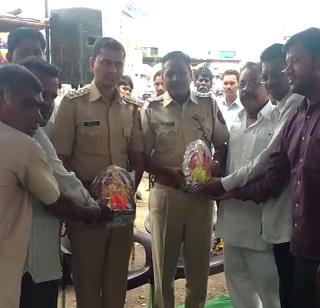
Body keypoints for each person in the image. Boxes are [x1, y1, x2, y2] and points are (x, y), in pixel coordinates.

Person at [213, 27, 320, 308]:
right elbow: (278, 168)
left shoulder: (289, 112)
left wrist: (229, 188)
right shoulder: (300, 115)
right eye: (270, 74)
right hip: (296, 241)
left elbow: (269, 168)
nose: (287, 73)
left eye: (294, 63)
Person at [53, 37, 144, 308]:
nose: (113, 70)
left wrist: (125, 197)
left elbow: (138, 158)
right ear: (92, 63)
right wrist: (88, 199)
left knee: (117, 285)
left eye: (118, 64)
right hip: (88, 213)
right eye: (106, 63)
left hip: (121, 215)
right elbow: (61, 158)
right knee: (88, 286)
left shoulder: (132, 108)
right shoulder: (72, 104)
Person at [0, 64, 101, 308]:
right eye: (29, 104)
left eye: (48, 98)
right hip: (26, 267)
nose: (39, 113)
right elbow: (57, 199)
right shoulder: (24, 142)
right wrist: (95, 211)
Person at [141, 51, 229, 308]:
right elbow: (143, 157)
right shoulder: (152, 109)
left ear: (191, 74)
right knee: (163, 268)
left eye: (181, 72)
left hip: (201, 198)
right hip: (167, 195)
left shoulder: (207, 105)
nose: (176, 78)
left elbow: (222, 142)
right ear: (162, 77)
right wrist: (171, 174)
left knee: (198, 266)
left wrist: (216, 163)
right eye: (170, 73)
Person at [217, 62, 281, 308]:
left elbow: (262, 168)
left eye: (253, 83)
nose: (246, 89)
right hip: (231, 225)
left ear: (266, 85)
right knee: (239, 290)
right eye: (242, 83)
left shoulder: (277, 121)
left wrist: (222, 184)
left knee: (270, 293)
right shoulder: (235, 123)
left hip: (260, 227)